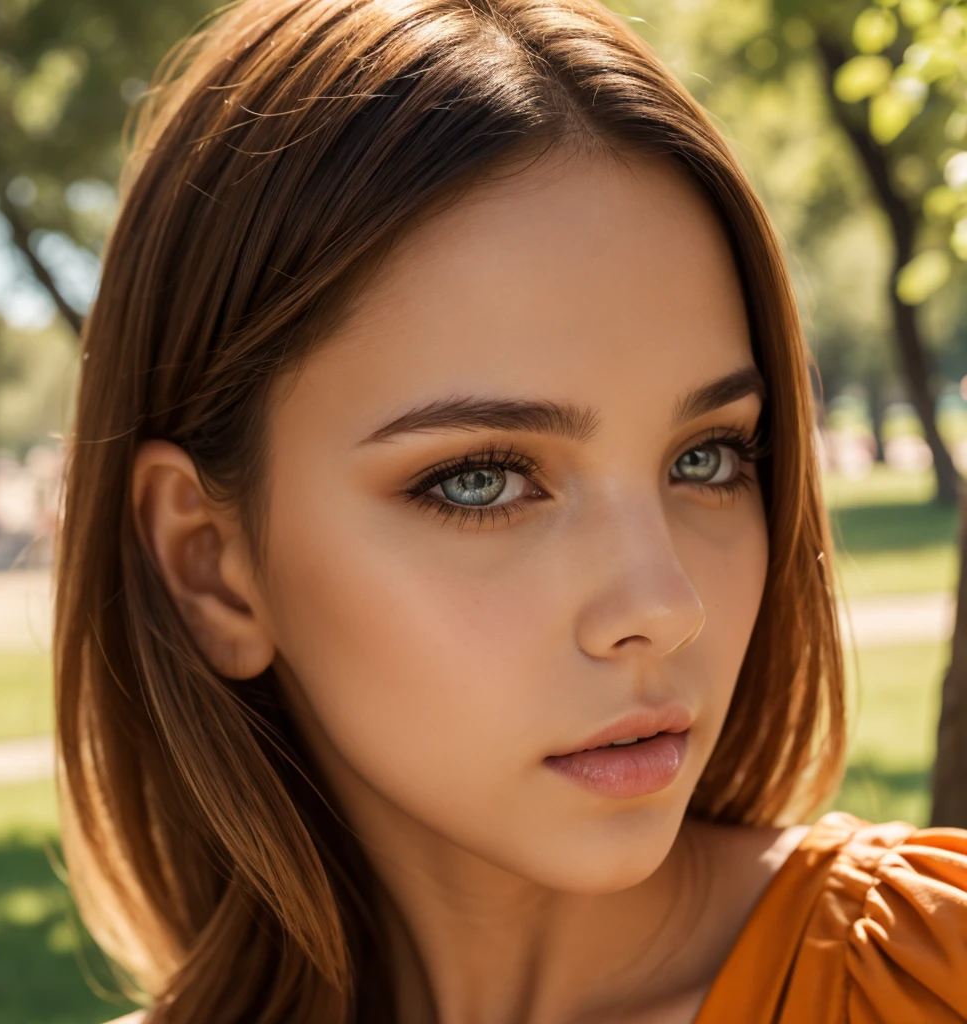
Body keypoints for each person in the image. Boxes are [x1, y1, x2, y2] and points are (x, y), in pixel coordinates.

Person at [52, 0, 967, 1020]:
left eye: (706, 457)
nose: (663, 604)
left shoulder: (929, 976)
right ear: (209, 565)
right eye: (480, 478)